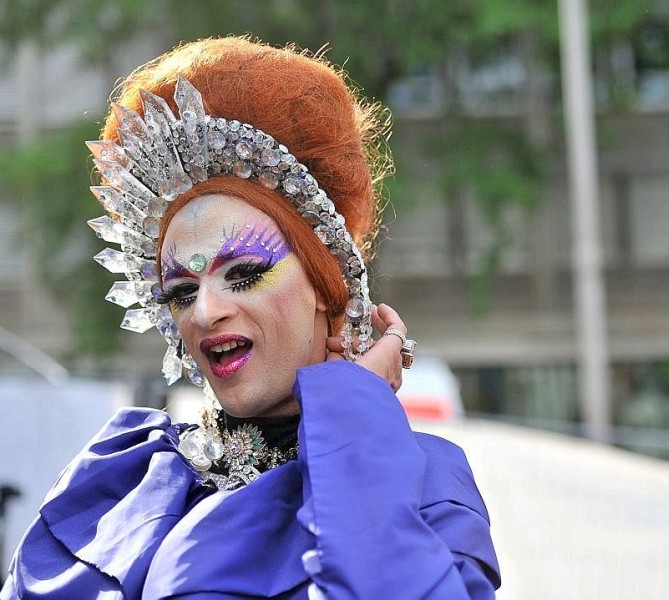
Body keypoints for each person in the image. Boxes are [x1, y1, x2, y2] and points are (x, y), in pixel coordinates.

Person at [1, 37, 500, 599]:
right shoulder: (120, 483)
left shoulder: (425, 487)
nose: (207, 311)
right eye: (182, 291)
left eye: (243, 274)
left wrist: (354, 415)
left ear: (324, 283)